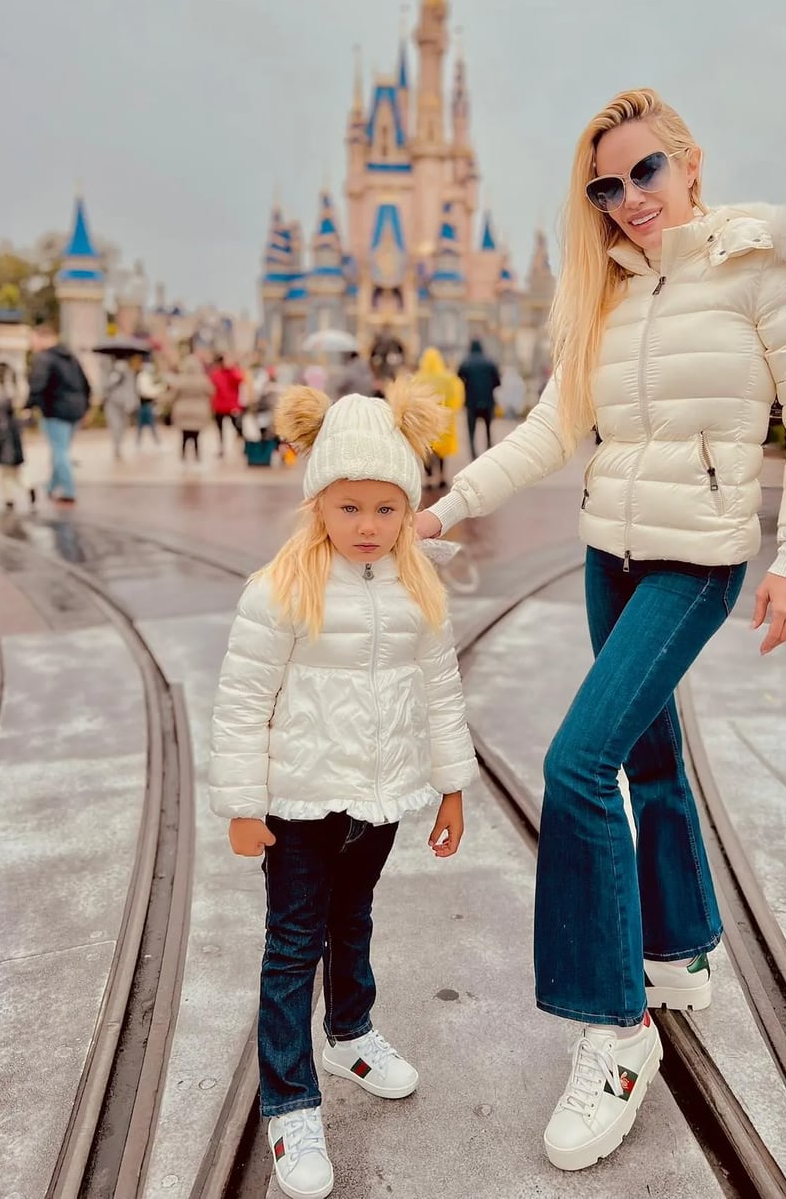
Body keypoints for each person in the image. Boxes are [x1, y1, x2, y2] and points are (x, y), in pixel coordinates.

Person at [417, 87, 786, 1172]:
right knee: (648, 762)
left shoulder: (762, 267)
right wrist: (440, 507)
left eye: (644, 172)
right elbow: (549, 430)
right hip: (610, 555)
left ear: (688, 162)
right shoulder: (603, 293)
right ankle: (680, 952)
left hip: (696, 560)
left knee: (576, 766)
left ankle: (615, 1033)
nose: (628, 200)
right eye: (605, 186)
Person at [208, 375, 477, 1199]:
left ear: (408, 509)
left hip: (379, 799)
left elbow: (440, 690)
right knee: (292, 944)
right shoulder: (280, 590)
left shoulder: (419, 587)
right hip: (296, 804)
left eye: (386, 509)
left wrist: (451, 787)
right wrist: (244, 805)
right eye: (348, 507)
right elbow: (241, 701)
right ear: (317, 505)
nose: (368, 526)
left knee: (352, 919)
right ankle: (290, 1103)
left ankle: (351, 1032)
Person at [25, 321, 91, 505]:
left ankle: (68, 489)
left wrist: (27, 406)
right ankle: (52, 486)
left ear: (43, 338)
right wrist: (85, 407)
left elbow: (38, 384)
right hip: (75, 410)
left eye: (33, 339)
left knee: (59, 451)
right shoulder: (70, 357)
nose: (32, 344)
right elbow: (86, 384)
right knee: (61, 450)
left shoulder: (44, 358)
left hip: (56, 411)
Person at [415, 347, 464, 489]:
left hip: (425, 420)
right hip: (444, 418)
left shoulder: (419, 378)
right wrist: (452, 410)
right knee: (442, 449)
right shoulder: (448, 379)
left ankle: (429, 478)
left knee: (427, 449)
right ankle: (442, 476)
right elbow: (457, 394)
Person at [0, 362, 33, 511]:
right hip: (13, 435)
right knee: (15, 471)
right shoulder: (13, 392)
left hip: (3, 437)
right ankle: (27, 487)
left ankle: (9, 499)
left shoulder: (1, 395)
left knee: (6, 472)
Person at [457, 339, 502, 458]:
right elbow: (498, 382)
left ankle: (473, 457)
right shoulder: (490, 362)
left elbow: (459, 377)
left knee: (471, 432)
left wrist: (468, 385)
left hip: (471, 402)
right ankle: (488, 452)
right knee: (488, 430)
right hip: (488, 401)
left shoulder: (466, 362)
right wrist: (489, 386)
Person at [166, 355, 215, 462]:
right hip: (199, 410)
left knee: (184, 435)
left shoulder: (180, 379)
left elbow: (172, 396)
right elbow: (211, 392)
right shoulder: (203, 379)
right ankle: (197, 455)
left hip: (183, 410)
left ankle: (183, 456)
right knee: (196, 435)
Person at [208, 354, 246, 454]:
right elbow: (211, 389)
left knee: (238, 427)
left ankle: (244, 446)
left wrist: (232, 368)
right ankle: (221, 448)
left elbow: (240, 379)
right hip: (220, 407)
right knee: (220, 430)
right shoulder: (215, 374)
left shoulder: (232, 373)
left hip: (231, 406)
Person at [103, 357, 139, 460]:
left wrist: (132, 403)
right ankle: (116, 447)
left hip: (125, 405)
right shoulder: (110, 373)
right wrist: (115, 379)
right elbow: (105, 387)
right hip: (112, 404)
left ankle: (119, 445)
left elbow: (132, 389)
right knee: (116, 426)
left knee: (123, 427)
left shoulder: (130, 373)